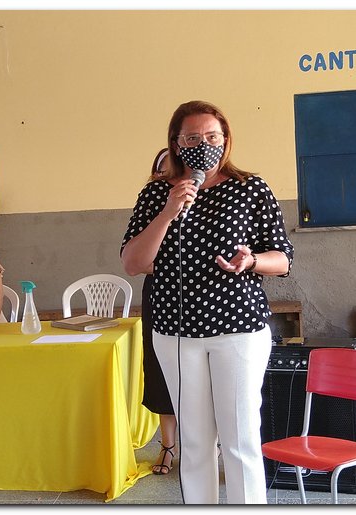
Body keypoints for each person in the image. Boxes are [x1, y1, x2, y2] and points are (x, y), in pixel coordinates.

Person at [121, 100, 294, 504]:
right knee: (195, 443)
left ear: (226, 140)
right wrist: (167, 212)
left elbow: (283, 258)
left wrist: (252, 260)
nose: (204, 144)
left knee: (239, 439)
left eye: (212, 136)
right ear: (177, 144)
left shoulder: (251, 187)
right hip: (175, 333)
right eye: (193, 138)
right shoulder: (155, 193)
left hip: (237, 328)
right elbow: (133, 262)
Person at [142, 148, 179, 475]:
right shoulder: (151, 207)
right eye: (162, 172)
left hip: (201, 301)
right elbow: (139, 260)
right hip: (159, 298)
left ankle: (214, 448)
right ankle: (167, 447)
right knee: (160, 373)